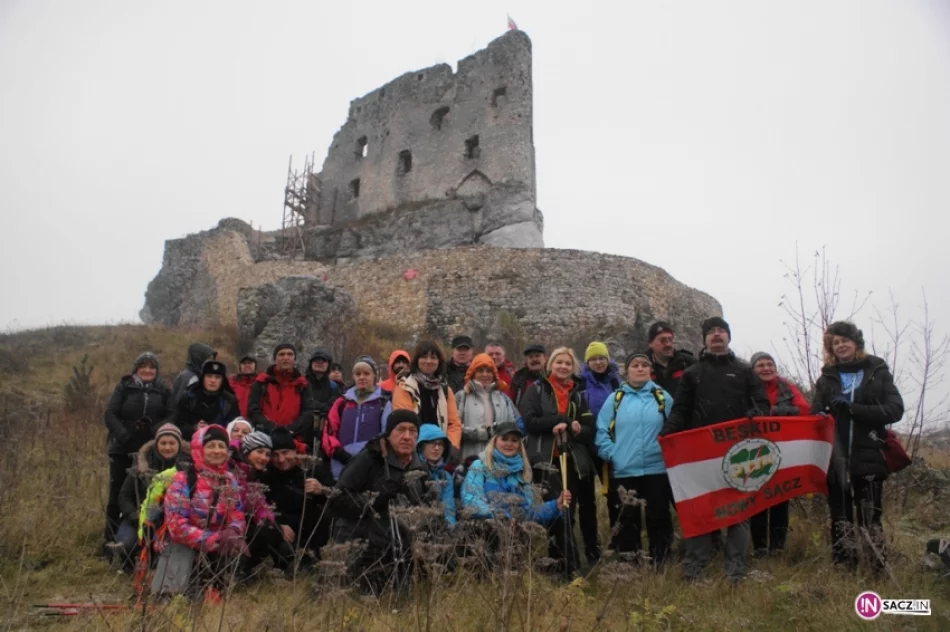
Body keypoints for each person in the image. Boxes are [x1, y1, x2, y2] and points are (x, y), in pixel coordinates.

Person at [659, 316, 770, 583]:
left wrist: (754, 413)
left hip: (738, 452)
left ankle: (735, 571)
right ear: (705, 339)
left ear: (728, 337)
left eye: (721, 331)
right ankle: (694, 569)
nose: (717, 335)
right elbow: (681, 410)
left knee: (738, 512)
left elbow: (763, 405)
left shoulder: (745, 371)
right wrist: (667, 432)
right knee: (699, 509)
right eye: (711, 332)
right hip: (701, 454)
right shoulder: (692, 373)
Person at [811, 321, 904, 574]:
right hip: (836, 456)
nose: (841, 346)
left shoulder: (877, 370)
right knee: (840, 516)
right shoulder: (827, 377)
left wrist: (854, 409)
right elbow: (815, 409)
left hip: (870, 453)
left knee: (869, 515)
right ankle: (844, 568)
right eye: (835, 342)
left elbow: (895, 410)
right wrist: (819, 413)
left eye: (845, 340)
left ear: (856, 343)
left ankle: (877, 567)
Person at [330, 410, 427, 595]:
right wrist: (375, 497)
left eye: (412, 431)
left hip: (400, 549)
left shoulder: (418, 467)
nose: (407, 436)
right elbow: (336, 499)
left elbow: (426, 506)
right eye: (400, 430)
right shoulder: (369, 458)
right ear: (389, 434)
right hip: (362, 545)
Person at [595, 352, 674, 566]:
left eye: (644, 365)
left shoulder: (663, 398)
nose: (640, 368)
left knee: (658, 518)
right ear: (626, 371)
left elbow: (675, 428)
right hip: (624, 470)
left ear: (651, 371)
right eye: (635, 365)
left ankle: (661, 563)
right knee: (626, 520)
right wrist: (612, 454)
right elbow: (601, 430)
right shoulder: (615, 399)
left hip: (657, 468)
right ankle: (630, 566)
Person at [521, 347, 595, 575]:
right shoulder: (537, 390)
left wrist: (576, 428)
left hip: (572, 461)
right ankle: (564, 566)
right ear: (550, 365)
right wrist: (561, 419)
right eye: (559, 362)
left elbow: (589, 427)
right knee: (556, 512)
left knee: (570, 511)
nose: (563, 367)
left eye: (567, 363)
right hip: (546, 461)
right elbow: (530, 420)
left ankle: (569, 563)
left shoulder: (579, 394)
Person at [156, 426, 246, 600]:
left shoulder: (230, 480)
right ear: (199, 449)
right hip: (184, 545)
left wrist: (233, 532)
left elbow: (238, 515)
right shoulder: (182, 480)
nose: (217, 451)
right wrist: (212, 539)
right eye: (211, 445)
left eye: (221, 446)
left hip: (217, 544)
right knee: (175, 598)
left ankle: (219, 585)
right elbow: (176, 527)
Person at [102, 352, 172, 555]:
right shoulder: (124, 387)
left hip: (150, 449)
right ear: (136, 369)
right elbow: (110, 414)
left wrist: (156, 430)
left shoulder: (163, 390)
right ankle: (110, 540)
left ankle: (142, 537)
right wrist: (124, 436)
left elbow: (171, 413)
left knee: (145, 491)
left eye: (152, 367)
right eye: (143, 366)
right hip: (122, 448)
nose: (148, 370)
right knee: (117, 494)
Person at [748, 351, 811, 557]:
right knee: (756, 500)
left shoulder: (787, 387)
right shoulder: (746, 388)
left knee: (779, 498)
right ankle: (759, 547)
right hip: (754, 452)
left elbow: (803, 410)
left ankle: (777, 548)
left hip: (784, 451)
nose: (766, 368)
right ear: (753, 369)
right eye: (761, 365)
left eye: (769, 364)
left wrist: (773, 413)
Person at [111, 423, 184, 570]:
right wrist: (135, 515)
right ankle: (128, 562)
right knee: (127, 543)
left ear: (179, 445)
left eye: (172, 443)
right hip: (138, 517)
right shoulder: (141, 465)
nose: (167, 447)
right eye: (163, 443)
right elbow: (124, 495)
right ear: (157, 444)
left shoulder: (185, 467)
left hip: (173, 519)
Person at [260, 428, 332, 568]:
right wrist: (278, 524)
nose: (281, 459)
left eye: (285, 453)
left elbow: (337, 495)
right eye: (275, 455)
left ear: (295, 452)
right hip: (284, 530)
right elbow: (262, 505)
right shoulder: (267, 476)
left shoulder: (313, 469)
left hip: (310, 530)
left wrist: (322, 490)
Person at [233, 431, 295, 576]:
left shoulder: (252, 473)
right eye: (259, 452)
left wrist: (277, 526)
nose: (264, 458)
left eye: (267, 454)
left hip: (241, 522)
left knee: (271, 531)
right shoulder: (234, 470)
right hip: (228, 524)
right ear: (247, 451)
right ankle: (236, 570)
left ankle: (243, 570)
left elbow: (259, 503)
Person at [578, 341, 620, 553]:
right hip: (585, 446)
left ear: (607, 359)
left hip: (610, 445)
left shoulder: (616, 383)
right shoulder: (580, 384)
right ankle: (591, 547)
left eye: (601, 358)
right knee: (586, 499)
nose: (598, 362)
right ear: (587, 362)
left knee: (615, 495)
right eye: (594, 359)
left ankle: (617, 542)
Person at [323, 356, 392, 479]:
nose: (362, 377)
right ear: (353, 377)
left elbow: (387, 434)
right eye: (357, 374)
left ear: (374, 376)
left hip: (371, 468)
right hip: (341, 467)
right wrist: (339, 453)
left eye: (366, 373)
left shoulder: (383, 403)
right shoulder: (341, 402)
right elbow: (329, 432)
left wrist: (371, 456)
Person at [391, 340, 462, 450]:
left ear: (439, 361)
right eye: (424, 357)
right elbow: (404, 423)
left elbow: (454, 424)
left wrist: (448, 448)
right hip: (413, 451)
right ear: (417, 360)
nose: (428, 361)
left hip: (439, 451)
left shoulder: (445, 390)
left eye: (433, 357)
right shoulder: (404, 387)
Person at [455, 353, 521, 463]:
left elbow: (515, 425)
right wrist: (478, 434)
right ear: (473, 374)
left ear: (494, 374)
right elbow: (454, 428)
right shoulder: (462, 397)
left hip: (499, 459)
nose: (485, 374)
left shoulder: (503, 398)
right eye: (480, 371)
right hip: (470, 457)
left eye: (489, 371)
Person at [247, 343, 314, 451]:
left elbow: (308, 412)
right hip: (264, 439)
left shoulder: (303, 384)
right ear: (275, 359)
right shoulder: (261, 382)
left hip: (293, 439)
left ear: (294, 358)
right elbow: (253, 409)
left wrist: (290, 429)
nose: (285, 357)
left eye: (289, 354)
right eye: (281, 354)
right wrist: (271, 428)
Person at [172, 361, 239, 441]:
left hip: (220, 444)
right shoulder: (188, 397)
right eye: (209, 376)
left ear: (222, 380)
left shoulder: (229, 400)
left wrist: (213, 430)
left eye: (217, 377)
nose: (213, 380)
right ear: (203, 377)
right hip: (190, 443)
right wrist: (194, 428)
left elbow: (233, 427)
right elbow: (178, 424)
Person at [417, 424, 457, 526]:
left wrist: (449, 531)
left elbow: (449, 508)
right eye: (432, 443)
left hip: (438, 529)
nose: (437, 448)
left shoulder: (445, 476)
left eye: (440, 444)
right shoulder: (413, 471)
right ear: (421, 446)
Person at [644, 322, 696, 396]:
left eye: (670, 340)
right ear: (650, 343)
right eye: (663, 340)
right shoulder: (641, 366)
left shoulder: (688, 362)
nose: (668, 344)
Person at [305, 349, 340, 454]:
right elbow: (304, 404)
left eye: (323, 361)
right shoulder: (302, 383)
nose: (320, 362)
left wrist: (313, 405)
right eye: (316, 360)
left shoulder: (334, 387)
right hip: (303, 432)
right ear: (310, 364)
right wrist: (323, 407)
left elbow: (334, 408)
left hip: (325, 433)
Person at [510, 344, 547, 411]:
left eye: (537, 356)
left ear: (545, 358)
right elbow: (511, 404)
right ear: (526, 361)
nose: (534, 359)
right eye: (530, 357)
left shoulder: (553, 377)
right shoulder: (518, 379)